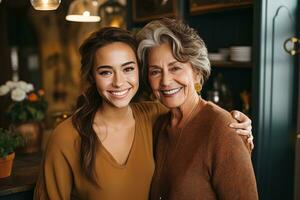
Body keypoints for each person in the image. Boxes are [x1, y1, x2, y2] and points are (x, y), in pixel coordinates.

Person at [34, 27, 253, 200]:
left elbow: (203, 116)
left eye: (128, 68)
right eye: (105, 72)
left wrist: (234, 123)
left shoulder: (159, 116)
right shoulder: (67, 137)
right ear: (91, 77)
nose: (119, 82)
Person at [136, 18, 258, 200]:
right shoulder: (158, 122)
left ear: (197, 72)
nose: (165, 81)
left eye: (175, 68)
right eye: (155, 71)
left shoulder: (224, 129)